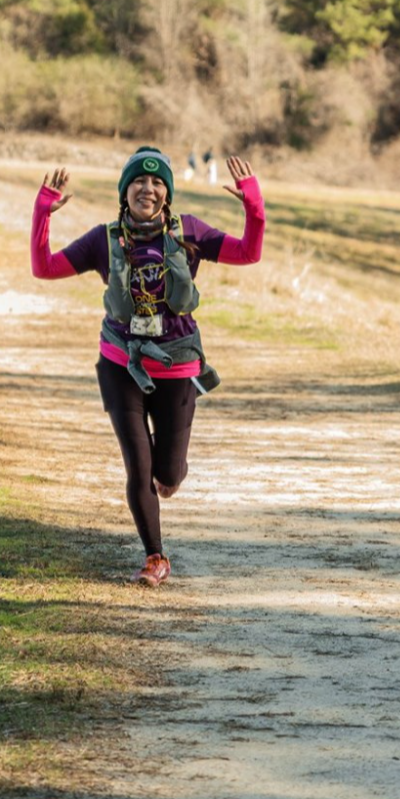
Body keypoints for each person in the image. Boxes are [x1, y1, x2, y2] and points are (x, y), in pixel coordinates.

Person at [31, 146, 265, 586]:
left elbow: (249, 253)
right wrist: (43, 211)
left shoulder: (189, 232)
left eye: (158, 182)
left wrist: (253, 203)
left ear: (168, 194)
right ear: (125, 191)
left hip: (177, 366)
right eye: (139, 180)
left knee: (167, 474)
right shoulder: (103, 239)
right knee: (138, 468)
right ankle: (155, 558)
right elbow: (44, 268)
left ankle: (172, 467)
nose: (148, 188)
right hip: (121, 364)